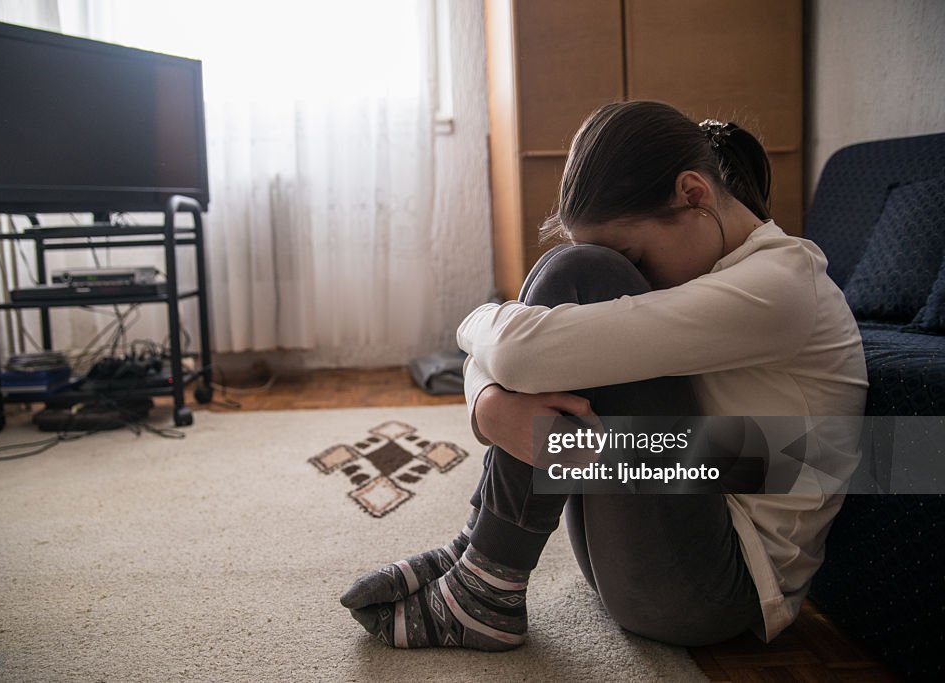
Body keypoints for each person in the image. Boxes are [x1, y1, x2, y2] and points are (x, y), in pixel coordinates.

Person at [340, 101, 868, 651]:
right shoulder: (727, 274)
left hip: (715, 591)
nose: (633, 280)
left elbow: (520, 353)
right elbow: (520, 353)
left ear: (694, 195)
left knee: (584, 273)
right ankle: (480, 556)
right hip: (650, 548)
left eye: (635, 256)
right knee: (569, 274)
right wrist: (491, 402)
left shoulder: (778, 289)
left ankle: (486, 575)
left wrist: (487, 395)